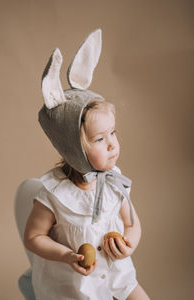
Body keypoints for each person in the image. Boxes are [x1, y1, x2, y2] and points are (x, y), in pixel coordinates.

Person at [23, 29, 150, 300]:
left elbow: (132, 224)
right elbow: (33, 237)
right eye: (100, 139)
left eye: (113, 133)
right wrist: (66, 255)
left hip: (117, 276)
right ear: (75, 149)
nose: (113, 144)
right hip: (75, 288)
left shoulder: (116, 180)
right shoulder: (54, 193)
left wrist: (128, 245)